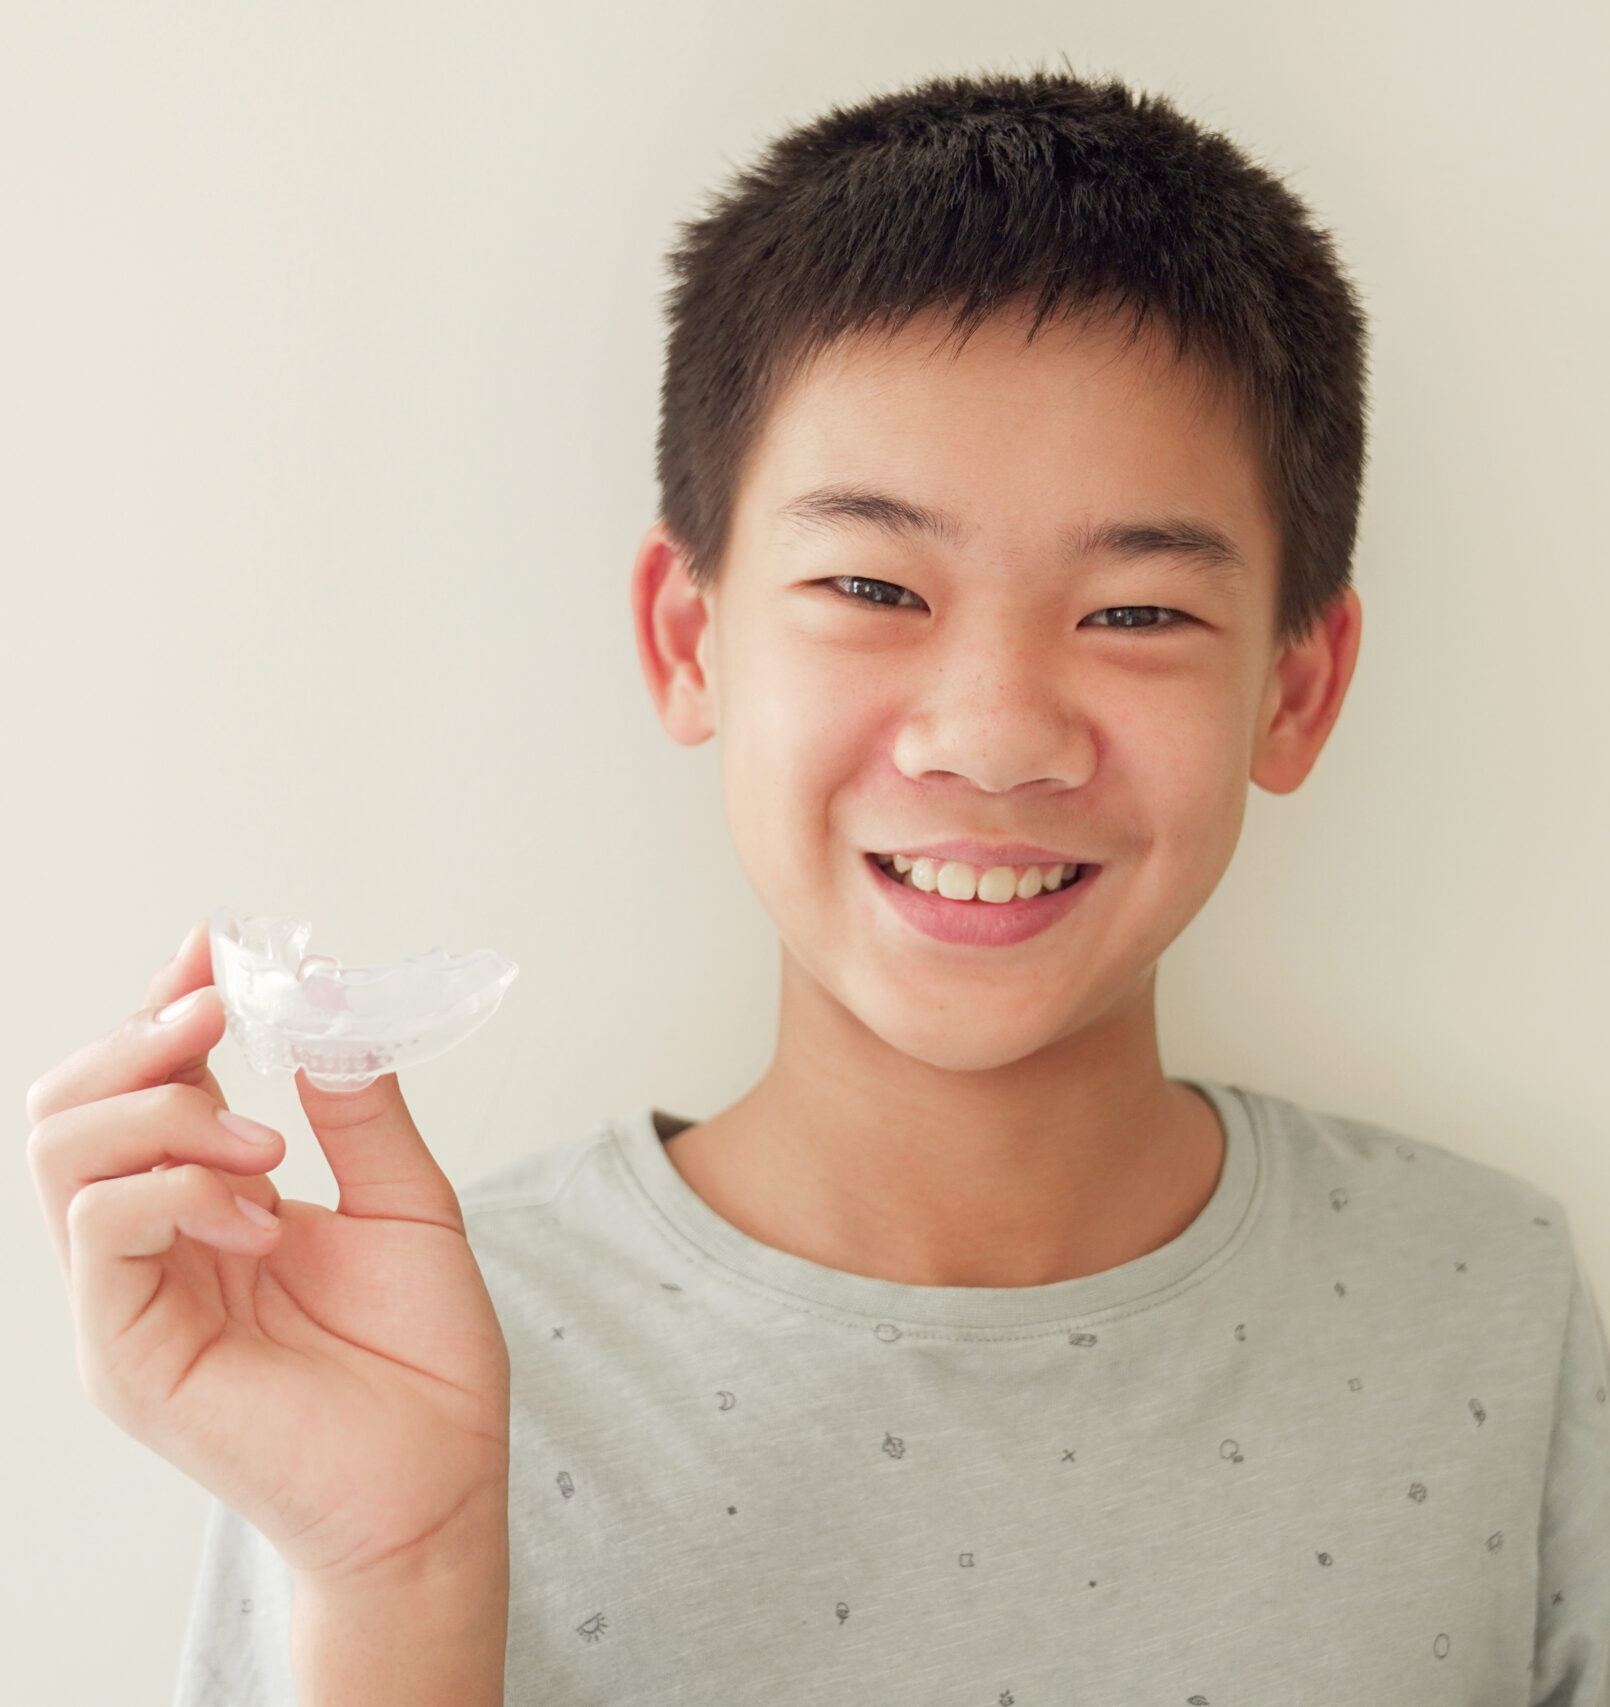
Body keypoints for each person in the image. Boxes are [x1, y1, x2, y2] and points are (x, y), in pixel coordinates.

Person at [27, 68, 1609, 1706]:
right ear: (688, 637)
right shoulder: (382, 1337)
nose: (993, 736)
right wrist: (401, 1582)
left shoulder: (1482, 1303)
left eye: (1135, 613)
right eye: (870, 586)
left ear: (1292, 688)